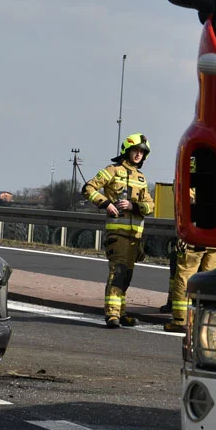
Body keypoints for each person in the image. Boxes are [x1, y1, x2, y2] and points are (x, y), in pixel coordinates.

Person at [82, 133, 155, 329]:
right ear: (127, 151)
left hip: (135, 237)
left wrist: (134, 206)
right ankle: (112, 314)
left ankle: (121, 313)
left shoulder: (141, 178)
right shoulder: (112, 170)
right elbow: (88, 188)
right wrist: (106, 203)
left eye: (142, 152)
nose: (138, 154)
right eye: (135, 151)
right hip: (118, 234)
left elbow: (150, 205)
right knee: (118, 272)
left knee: (127, 275)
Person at [165, 169, 216, 332]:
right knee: (211, 280)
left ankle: (180, 321)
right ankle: (207, 322)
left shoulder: (187, 179)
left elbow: (185, 205)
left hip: (196, 236)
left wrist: (183, 234)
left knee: (185, 277)